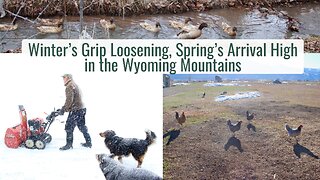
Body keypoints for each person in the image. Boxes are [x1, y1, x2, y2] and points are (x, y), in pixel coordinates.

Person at [59, 74, 92, 150]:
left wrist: (64, 109)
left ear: (68, 78)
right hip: (82, 108)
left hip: (76, 110)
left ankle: (69, 145)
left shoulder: (69, 86)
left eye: (64, 77)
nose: (63, 79)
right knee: (82, 126)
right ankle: (88, 142)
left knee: (69, 127)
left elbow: (69, 100)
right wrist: (65, 108)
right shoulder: (74, 84)